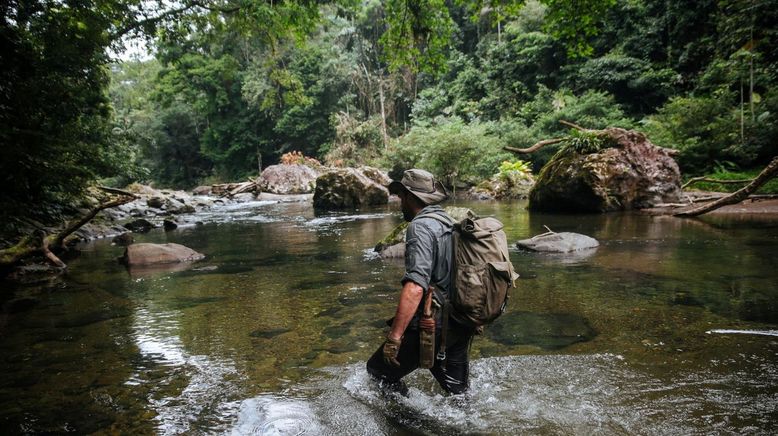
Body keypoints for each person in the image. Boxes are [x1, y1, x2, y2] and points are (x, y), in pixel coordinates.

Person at [366, 169, 475, 395]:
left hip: (432, 324)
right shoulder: (448, 221)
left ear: (409, 196)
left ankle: (405, 424)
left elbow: (415, 286)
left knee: (378, 371)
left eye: (400, 197)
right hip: (461, 320)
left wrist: (394, 338)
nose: (399, 203)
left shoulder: (420, 227)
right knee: (458, 393)